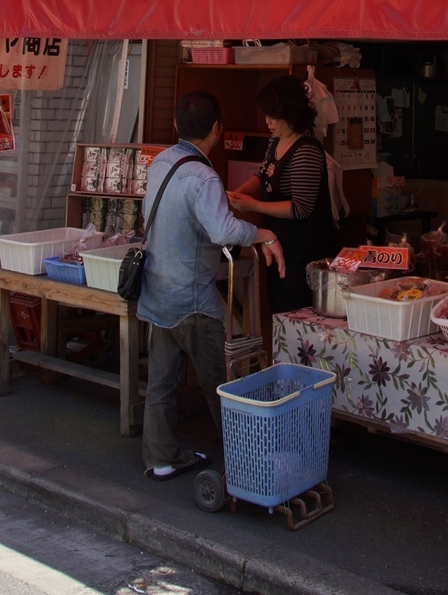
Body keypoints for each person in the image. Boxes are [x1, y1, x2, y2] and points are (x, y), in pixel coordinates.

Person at [138, 90, 285, 480]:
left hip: (156, 290)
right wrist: (263, 233)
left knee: (161, 383)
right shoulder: (203, 176)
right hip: (191, 299)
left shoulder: (160, 163)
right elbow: (222, 229)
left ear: (175, 126)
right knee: (218, 384)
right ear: (217, 129)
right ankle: (247, 465)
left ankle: (161, 458)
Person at [229, 75, 338, 313]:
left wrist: (254, 205)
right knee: (278, 307)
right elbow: (262, 176)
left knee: (297, 311)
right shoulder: (277, 139)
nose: (267, 122)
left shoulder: (306, 151)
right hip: (280, 240)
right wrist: (236, 196)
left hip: (305, 249)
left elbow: (300, 208)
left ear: (290, 113)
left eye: (272, 117)